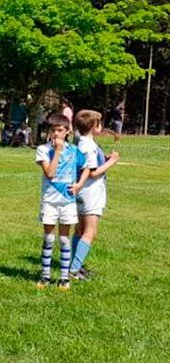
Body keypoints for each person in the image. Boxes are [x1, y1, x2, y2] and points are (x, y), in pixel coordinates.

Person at [34, 113, 90, 290]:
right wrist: (57, 152)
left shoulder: (74, 150)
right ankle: (45, 276)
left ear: (67, 131)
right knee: (48, 238)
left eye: (59, 130)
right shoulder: (43, 150)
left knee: (64, 239)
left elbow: (87, 167)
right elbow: (50, 173)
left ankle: (64, 278)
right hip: (50, 201)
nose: (56, 134)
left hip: (67, 201)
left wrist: (79, 185)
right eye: (53, 130)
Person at [70, 110, 120, 280]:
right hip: (89, 193)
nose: (102, 126)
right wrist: (111, 162)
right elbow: (92, 172)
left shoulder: (83, 142)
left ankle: (75, 265)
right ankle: (74, 270)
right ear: (93, 126)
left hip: (81, 192)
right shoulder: (88, 146)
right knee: (90, 232)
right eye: (100, 123)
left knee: (79, 230)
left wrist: (103, 159)